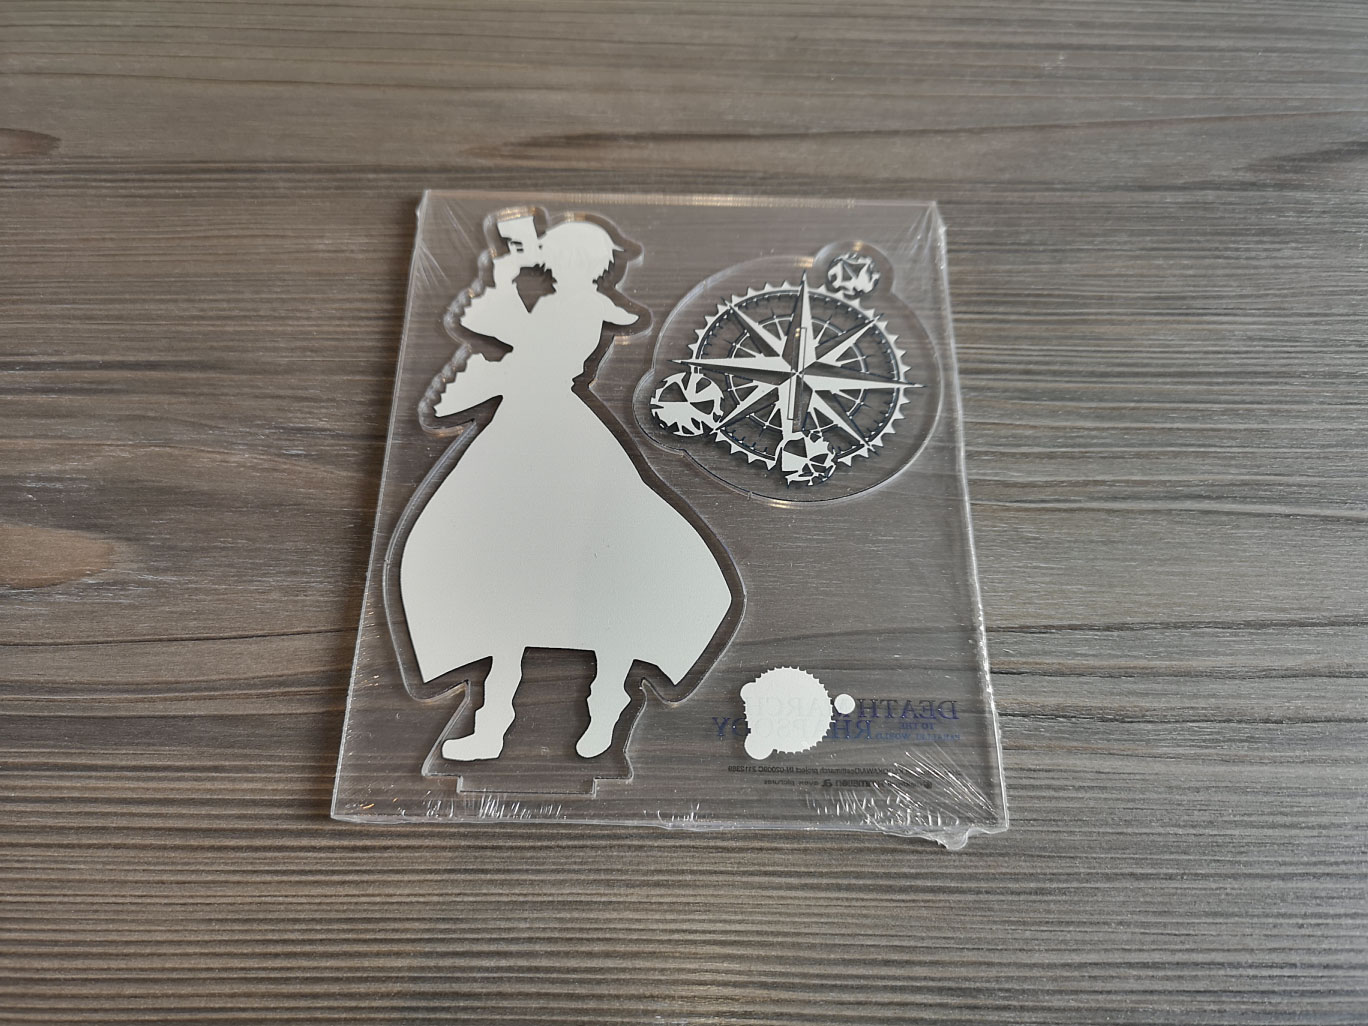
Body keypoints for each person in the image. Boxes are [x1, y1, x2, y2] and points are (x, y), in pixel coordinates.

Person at [397, 216, 732, 760]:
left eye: (555, 255)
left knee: (595, 556)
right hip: (522, 424)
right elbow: (495, 327)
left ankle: (606, 707)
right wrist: (505, 274)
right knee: (504, 560)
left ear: (575, 261)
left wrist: (506, 276)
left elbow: (518, 340)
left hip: (549, 425)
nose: (548, 262)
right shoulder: (561, 303)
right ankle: (492, 722)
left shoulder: (588, 307)